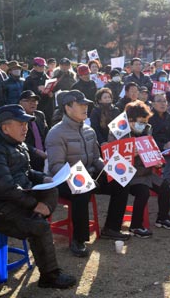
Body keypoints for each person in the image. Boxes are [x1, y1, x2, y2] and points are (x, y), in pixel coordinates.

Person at [0, 104, 76, 289]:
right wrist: (34, 205)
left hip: (12, 200)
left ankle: (35, 221)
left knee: (51, 189)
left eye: (26, 123)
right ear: (5, 127)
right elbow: (6, 188)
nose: (25, 128)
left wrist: (43, 177)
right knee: (40, 227)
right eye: (20, 124)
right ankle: (49, 276)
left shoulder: (16, 144)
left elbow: (25, 172)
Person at [45, 90, 130, 257]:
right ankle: (79, 239)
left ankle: (111, 228)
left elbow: (96, 159)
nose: (86, 108)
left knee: (122, 180)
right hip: (64, 180)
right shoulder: (56, 133)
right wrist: (82, 178)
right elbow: (57, 167)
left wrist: (109, 169)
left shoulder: (88, 130)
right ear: (68, 108)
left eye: (86, 104)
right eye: (81, 105)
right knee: (82, 190)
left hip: (89, 175)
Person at [107, 100, 170, 237]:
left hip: (146, 172)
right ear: (130, 120)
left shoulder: (146, 130)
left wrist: (157, 161)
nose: (143, 125)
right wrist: (129, 154)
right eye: (140, 122)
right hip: (129, 175)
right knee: (143, 192)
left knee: (166, 187)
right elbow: (113, 158)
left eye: (145, 122)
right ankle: (136, 226)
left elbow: (152, 150)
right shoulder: (118, 132)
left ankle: (162, 218)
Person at [149, 93, 170, 185]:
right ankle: (167, 184)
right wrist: (162, 146)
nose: (163, 104)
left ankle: (167, 183)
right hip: (152, 149)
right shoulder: (147, 118)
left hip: (168, 150)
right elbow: (146, 139)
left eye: (164, 101)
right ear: (153, 104)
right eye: (159, 101)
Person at [18, 90, 48, 172]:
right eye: (28, 101)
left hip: (45, 156)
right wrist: (35, 151)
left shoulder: (40, 115)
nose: (32, 103)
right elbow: (18, 141)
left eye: (34, 101)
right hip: (27, 157)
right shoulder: (18, 118)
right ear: (20, 103)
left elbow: (46, 134)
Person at [23, 57, 54, 124]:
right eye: (40, 66)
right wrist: (37, 89)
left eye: (43, 66)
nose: (42, 68)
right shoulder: (29, 79)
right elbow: (26, 94)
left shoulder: (47, 78)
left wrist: (51, 94)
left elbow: (51, 94)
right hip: (35, 107)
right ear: (34, 66)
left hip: (47, 108)